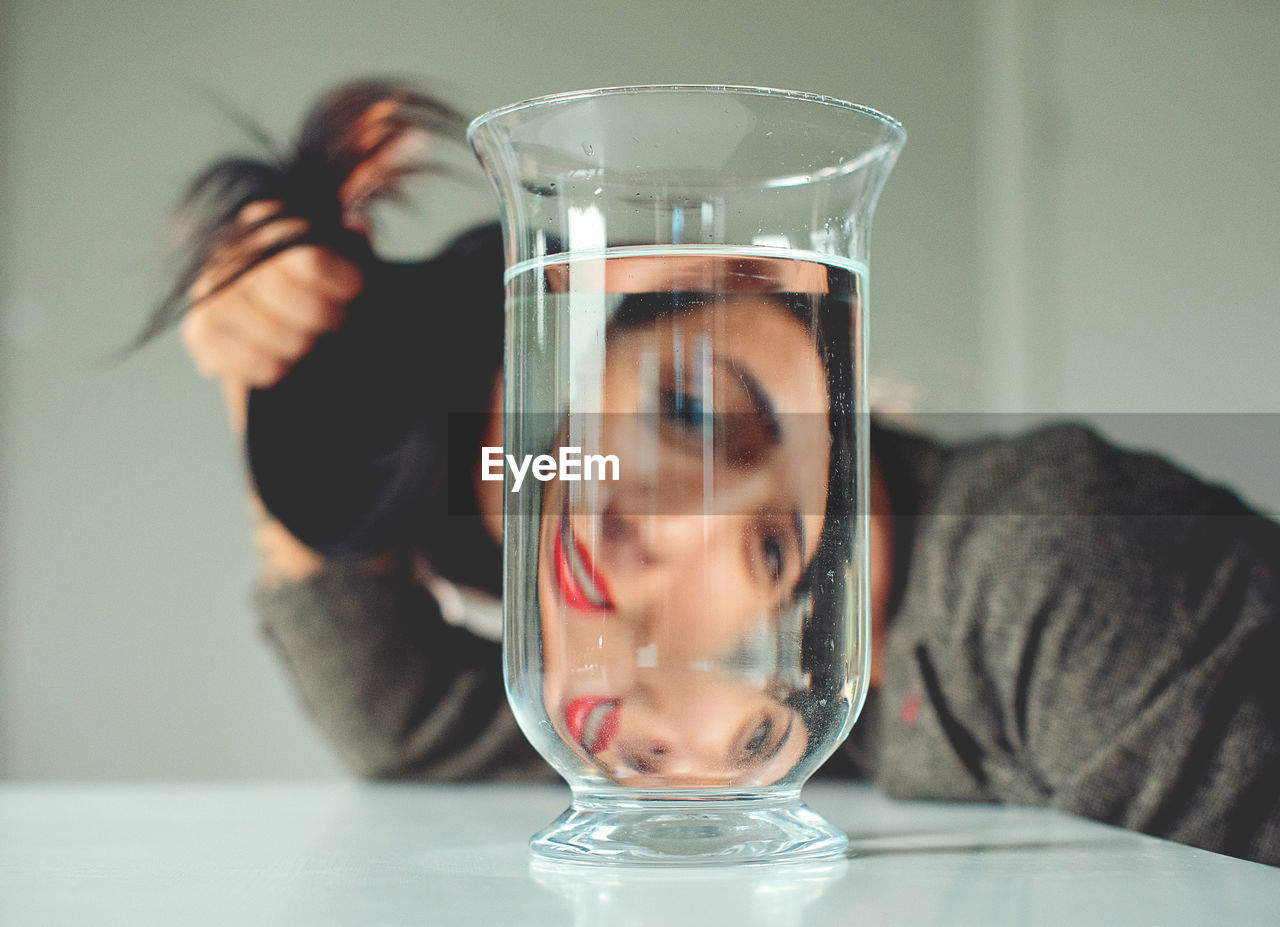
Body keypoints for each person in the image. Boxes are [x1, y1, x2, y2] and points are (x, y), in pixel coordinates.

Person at [155, 79, 1280, 864]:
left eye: (685, 410)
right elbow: (396, 719)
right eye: (589, 537)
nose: (704, 519)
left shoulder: (1051, 562)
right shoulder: (705, 718)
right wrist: (271, 380)